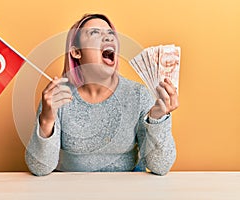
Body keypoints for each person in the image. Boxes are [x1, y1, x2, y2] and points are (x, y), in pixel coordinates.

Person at [25, 14, 178, 176]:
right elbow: (39, 168)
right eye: (94, 33)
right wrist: (47, 119)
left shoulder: (138, 95)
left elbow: (161, 166)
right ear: (76, 52)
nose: (107, 37)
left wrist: (157, 119)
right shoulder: (58, 96)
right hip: (72, 191)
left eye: (110, 33)